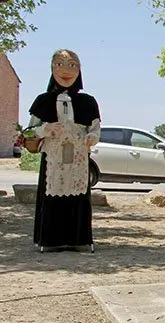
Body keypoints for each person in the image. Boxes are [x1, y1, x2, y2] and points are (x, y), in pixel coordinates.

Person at [27, 49, 101, 252]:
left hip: (78, 157)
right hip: (53, 156)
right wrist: (46, 129)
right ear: (52, 69)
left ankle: (77, 239)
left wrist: (91, 138)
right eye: (59, 65)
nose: (66, 70)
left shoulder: (88, 102)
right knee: (52, 194)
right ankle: (50, 240)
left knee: (78, 196)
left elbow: (94, 128)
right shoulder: (43, 100)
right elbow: (30, 130)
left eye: (72, 65)